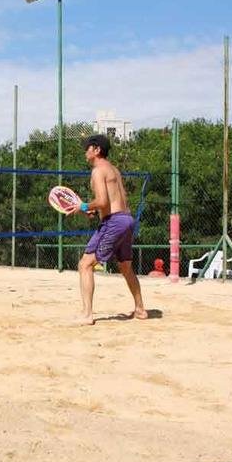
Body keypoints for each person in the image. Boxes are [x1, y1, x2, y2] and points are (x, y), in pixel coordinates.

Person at [71, 135, 147, 326]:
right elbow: (112, 202)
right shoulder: (114, 169)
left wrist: (82, 206)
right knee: (125, 267)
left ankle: (87, 315)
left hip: (114, 222)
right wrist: (92, 210)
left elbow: (103, 201)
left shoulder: (98, 171)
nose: (85, 151)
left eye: (87, 148)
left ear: (96, 150)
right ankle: (140, 309)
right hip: (127, 219)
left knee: (85, 265)